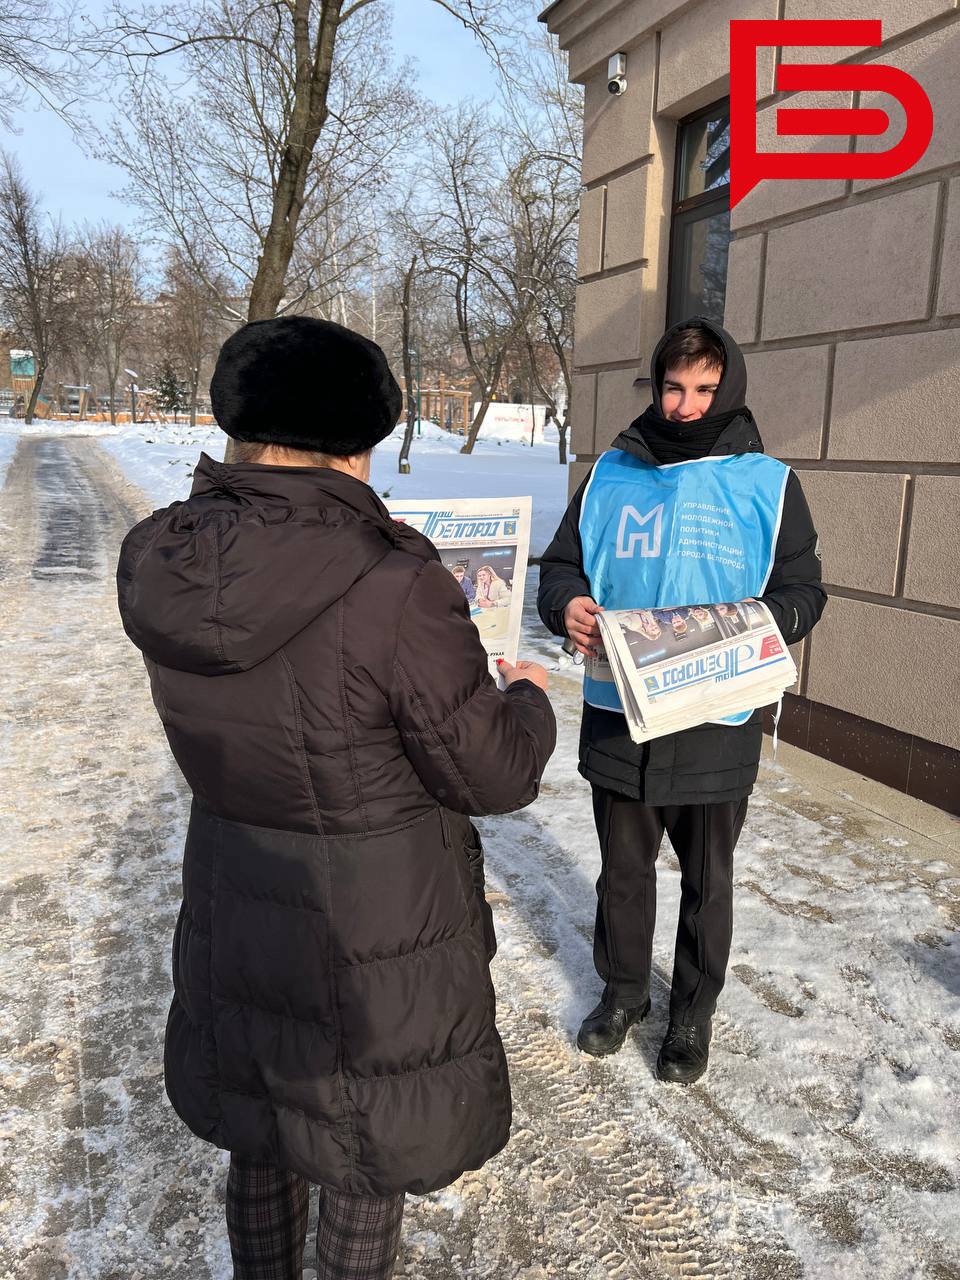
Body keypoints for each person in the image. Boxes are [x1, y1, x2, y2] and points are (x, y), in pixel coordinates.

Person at [117, 316, 556, 1280]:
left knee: (266, 1132)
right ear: (361, 441)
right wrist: (522, 695)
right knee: (361, 1153)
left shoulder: (164, 558)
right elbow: (492, 772)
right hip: (372, 930)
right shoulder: (398, 582)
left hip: (239, 898)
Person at [538, 316, 825, 1085]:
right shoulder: (610, 476)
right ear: (658, 386)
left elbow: (803, 589)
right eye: (674, 387)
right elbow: (561, 568)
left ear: (726, 387)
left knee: (709, 882)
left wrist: (771, 622)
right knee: (621, 874)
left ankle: (692, 1013)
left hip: (715, 719)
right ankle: (624, 992)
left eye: (704, 389)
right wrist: (564, 605)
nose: (688, 404)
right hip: (620, 710)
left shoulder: (768, 482)